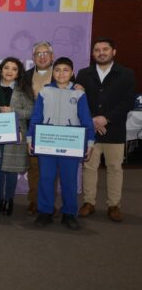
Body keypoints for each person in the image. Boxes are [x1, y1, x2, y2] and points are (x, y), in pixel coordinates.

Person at [28, 57, 95, 230]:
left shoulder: (79, 94)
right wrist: (30, 138)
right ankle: (45, 212)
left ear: (72, 73)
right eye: (57, 70)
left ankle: (69, 213)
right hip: (47, 141)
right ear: (53, 73)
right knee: (46, 178)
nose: (61, 73)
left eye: (66, 70)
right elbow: (36, 117)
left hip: (71, 143)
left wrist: (90, 142)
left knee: (69, 180)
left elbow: (86, 120)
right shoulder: (45, 91)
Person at [75, 38, 136, 222]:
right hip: (90, 129)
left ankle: (114, 205)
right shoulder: (84, 74)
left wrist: (106, 118)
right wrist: (92, 118)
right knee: (89, 167)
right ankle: (88, 202)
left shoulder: (126, 74)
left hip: (115, 129)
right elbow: (78, 99)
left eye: (105, 49)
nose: (101, 53)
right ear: (92, 53)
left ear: (113, 51)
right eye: (97, 50)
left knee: (115, 168)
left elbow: (128, 102)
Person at [0, 57, 34, 216]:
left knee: (11, 170)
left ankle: (9, 200)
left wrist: (13, 112)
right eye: (6, 67)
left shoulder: (23, 90)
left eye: (14, 69)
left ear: (18, 73)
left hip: (17, 133)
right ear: (1, 70)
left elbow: (31, 112)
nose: (9, 71)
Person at [23, 41, 56, 214]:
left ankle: (49, 202)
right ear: (33, 57)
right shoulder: (25, 76)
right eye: (38, 54)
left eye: (45, 53)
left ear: (52, 56)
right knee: (34, 167)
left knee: (51, 169)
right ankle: (34, 201)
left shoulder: (61, 74)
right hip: (33, 128)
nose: (42, 57)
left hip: (55, 129)